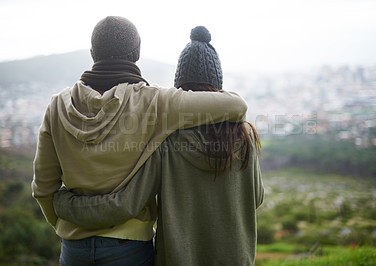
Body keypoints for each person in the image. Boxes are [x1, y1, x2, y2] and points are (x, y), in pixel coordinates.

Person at [31, 17, 248, 265]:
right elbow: (237, 105)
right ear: (137, 53)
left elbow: (43, 189)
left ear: (92, 53)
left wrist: (64, 226)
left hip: (73, 249)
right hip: (129, 249)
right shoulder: (154, 102)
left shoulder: (57, 106)